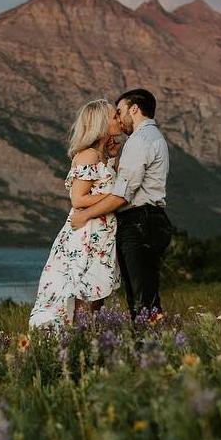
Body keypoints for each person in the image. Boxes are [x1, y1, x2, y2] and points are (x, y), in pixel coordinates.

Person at [71, 88, 172, 319]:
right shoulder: (152, 138)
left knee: (141, 299)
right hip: (148, 220)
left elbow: (122, 195)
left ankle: (148, 350)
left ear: (134, 109)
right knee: (144, 295)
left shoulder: (139, 140)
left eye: (119, 111)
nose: (117, 118)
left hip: (140, 222)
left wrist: (85, 215)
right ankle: (151, 347)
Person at [28, 99, 123, 329]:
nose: (118, 119)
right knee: (83, 292)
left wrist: (114, 159)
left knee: (97, 293)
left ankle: (91, 342)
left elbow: (106, 186)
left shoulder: (102, 156)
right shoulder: (87, 155)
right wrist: (117, 195)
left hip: (103, 235)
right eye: (113, 116)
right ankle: (76, 344)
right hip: (86, 236)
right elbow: (78, 199)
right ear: (100, 123)